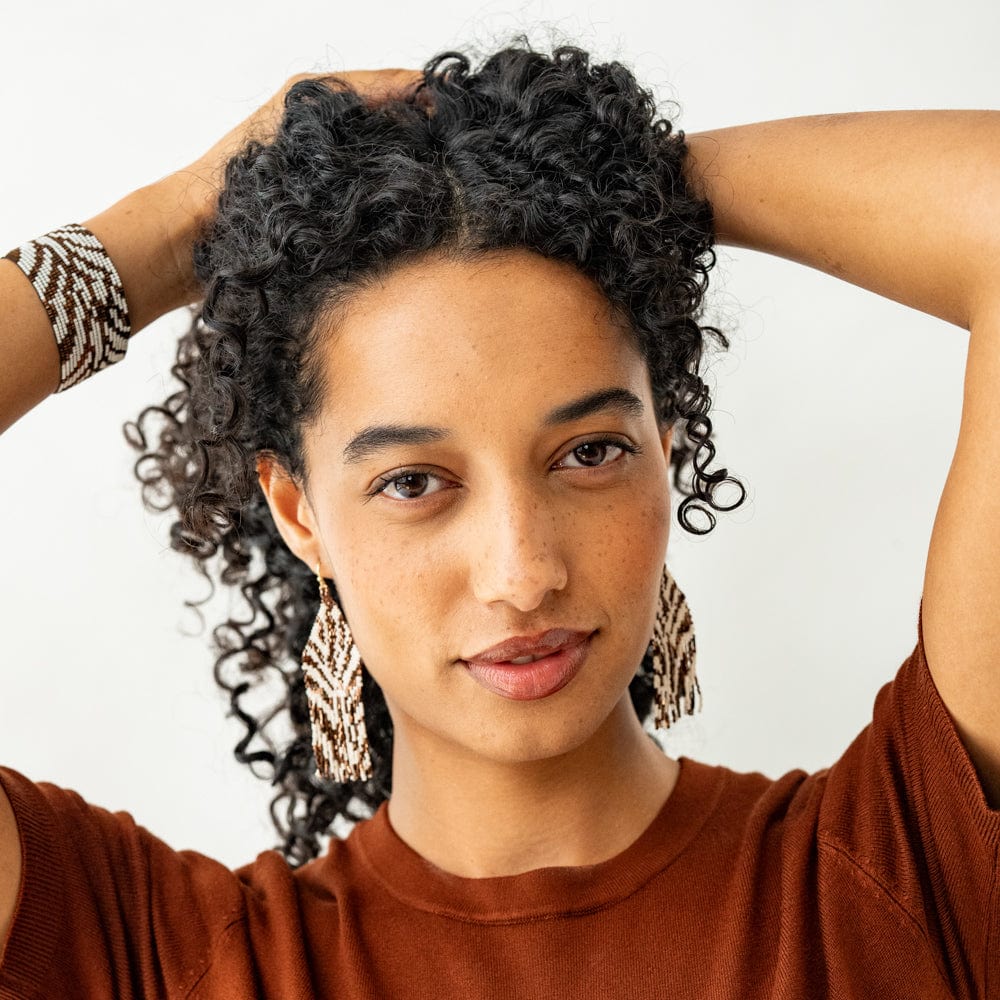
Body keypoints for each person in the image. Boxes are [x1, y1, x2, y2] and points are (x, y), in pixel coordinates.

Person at [0, 38, 998, 1000]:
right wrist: (175, 229)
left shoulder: (900, 878)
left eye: (588, 453)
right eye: (413, 482)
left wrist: (618, 175)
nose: (522, 572)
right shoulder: (158, 956)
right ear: (299, 511)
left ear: (671, 445)